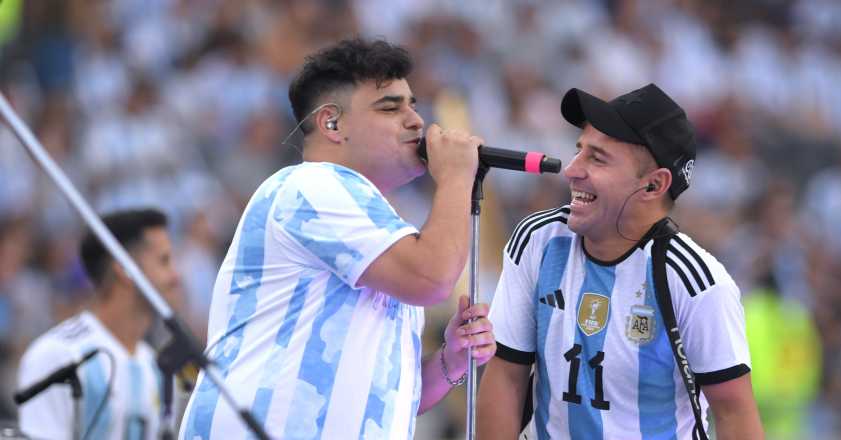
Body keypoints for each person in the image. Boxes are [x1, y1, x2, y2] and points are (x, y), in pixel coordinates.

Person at [179, 38, 497, 439]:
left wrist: (452, 361)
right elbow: (431, 279)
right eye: (391, 107)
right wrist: (455, 177)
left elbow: (392, 400)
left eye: (413, 104)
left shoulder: (381, 229)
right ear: (332, 123)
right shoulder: (313, 185)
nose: (417, 121)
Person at [478, 84, 764, 439]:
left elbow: (735, 415)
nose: (571, 170)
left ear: (653, 185)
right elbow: (506, 375)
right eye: (578, 151)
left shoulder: (697, 281)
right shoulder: (538, 239)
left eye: (597, 158)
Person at [17, 208, 183, 439]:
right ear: (124, 269)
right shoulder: (57, 356)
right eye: (164, 261)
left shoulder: (158, 371)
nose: (176, 276)